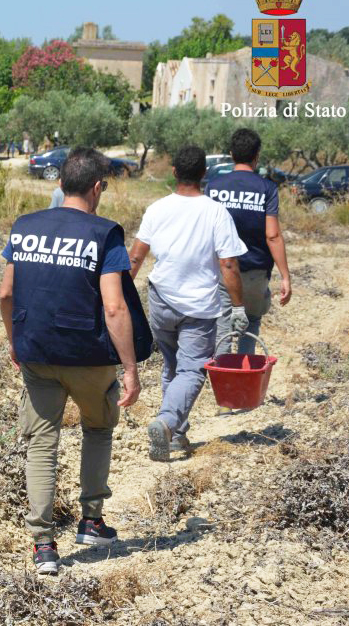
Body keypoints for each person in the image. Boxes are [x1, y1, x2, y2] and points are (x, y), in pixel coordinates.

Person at [0, 147, 151, 575]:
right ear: (97, 187)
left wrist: (15, 341)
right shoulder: (105, 234)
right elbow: (115, 308)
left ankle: (43, 546)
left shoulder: (25, 226)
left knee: (42, 445)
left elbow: (5, 293)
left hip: (38, 355)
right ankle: (91, 520)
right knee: (98, 428)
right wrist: (132, 369)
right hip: (89, 357)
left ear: (61, 182)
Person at [129, 146, 248, 461]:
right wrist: (237, 308)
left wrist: (123, 297)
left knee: (172, 366)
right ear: (204, 174)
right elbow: (229, 266)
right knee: (193, 370)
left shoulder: (157, 208)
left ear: (174, 173)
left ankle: (176, 434)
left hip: (161, 300)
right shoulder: (216, 212)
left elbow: (136, 257)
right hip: (199, 308)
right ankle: (168, 422)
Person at [205, 128, 291, 359]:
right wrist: (285, 276)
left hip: (221, 270)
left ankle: (223, 382)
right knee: (251, 322)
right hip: (255, 272)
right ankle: (244, 379)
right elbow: (272, 235)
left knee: (222, 327)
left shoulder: (213, 187)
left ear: (232, 154)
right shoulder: (267, 189)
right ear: (257, 155)